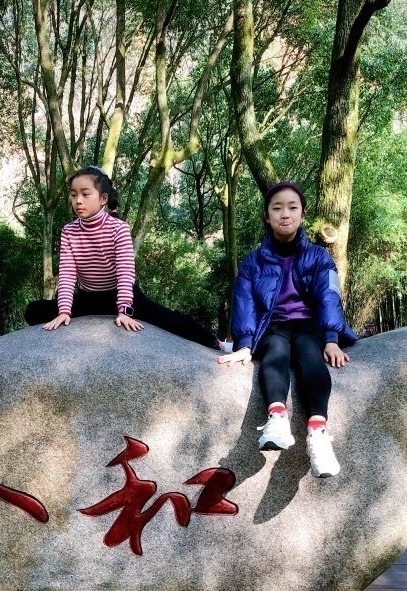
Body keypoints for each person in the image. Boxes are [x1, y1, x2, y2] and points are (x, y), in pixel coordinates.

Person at [217, 181, 357, 478]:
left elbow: (328, 296)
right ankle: (277, 418)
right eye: (276, 208)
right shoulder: (254, 261)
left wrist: (331, 339)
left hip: (309, 327)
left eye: (292, 208)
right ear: (267, 216)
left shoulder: (319, 257)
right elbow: (245, 302)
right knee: (276, 352)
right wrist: (244, 343)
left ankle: (318, 435)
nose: (285, 214)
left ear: (302, 214)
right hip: (273, 327)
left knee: (310, 354)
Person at [25, 165, 229, 351]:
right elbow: (68, 274)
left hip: (121, 295)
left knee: (168, 318)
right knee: (34, 311)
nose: (78, 201)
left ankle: (215, 342)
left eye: (85, 194)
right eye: (73, 195)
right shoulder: (69, 231)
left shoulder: (118, 228)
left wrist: (124, 310)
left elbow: (125, 272)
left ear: (103, 199)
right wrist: (64, 311)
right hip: (89, 298)